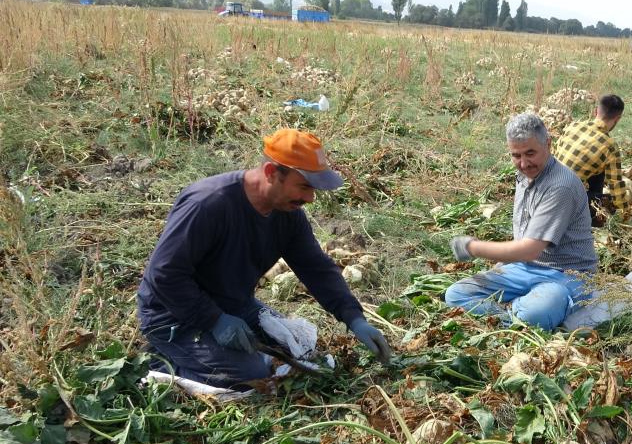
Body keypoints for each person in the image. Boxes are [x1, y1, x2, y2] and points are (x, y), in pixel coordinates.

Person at [137, 129, 392, 389]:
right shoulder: (208, 204)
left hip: (235, 305)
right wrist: (213, 320)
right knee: (253, 376)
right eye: (304, 186)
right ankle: (159, 362)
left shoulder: (288, 215)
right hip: (173, 314)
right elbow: (164, 274)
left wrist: (353, 317)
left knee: (298, 347)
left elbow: (316, 268)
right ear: (271, 172)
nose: (309, 198)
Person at [444, 113, 598, 332]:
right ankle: (515, 315)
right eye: (516, 155)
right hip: (526, 268)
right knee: (457, 294)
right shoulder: (527, 175)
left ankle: (521, 313)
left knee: (539, 311)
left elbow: (529, 250)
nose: (524, 163)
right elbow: (525, 243)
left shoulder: (560, 186)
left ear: (548, 144)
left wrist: (472, 247)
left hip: (567, 275)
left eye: (530, 153)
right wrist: (504, 266)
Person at [553, 94, 627, 226]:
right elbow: (616, 187)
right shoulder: (610, 146)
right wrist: (625, 212)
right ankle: (591, 219)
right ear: (618, 119)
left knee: (599, 170)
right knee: (607, 204)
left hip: (545, 186)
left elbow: (554, 153)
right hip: (562, 202)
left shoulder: (573, 126)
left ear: (596, 111)